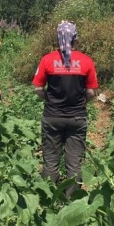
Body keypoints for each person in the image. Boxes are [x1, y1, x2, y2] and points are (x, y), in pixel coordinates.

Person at [33, 21, 98, 197]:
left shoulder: (47, 60)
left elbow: (38, 89)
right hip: (77, 117)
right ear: (75, 38)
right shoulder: (86, 61)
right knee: (74, 163)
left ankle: (47, 199)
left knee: (51, 161)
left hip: (52, 116)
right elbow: (91, 92)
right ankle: (72, 200)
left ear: (57, 38)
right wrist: (81, 103)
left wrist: (50, 99)